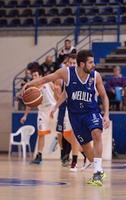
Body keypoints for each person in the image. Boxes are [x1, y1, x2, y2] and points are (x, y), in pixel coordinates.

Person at [22, 50, 110, 186]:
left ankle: (97, 172)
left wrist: (106, 115)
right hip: (75, 115)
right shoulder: (66, 73)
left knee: (96, 133)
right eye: (91, 62)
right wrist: (31, 84)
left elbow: (104, 96)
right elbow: (47, 79)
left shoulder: (95, 76)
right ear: (82, 64)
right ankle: (98, 168)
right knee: (86, 146)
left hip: (91, 111)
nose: (94, 65)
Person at [53, 54, 90, 172]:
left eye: (74, 63)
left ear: (78, 64)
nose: (72, 65)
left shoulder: (83, 75)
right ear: (67, 64)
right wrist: (55, 106)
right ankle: (87, 155)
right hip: (67, 109)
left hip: (79, 110)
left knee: (74, 135)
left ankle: (74, 161)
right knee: (66, 135)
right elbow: (64, 94)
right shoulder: (66, 76)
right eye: (70, 63)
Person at [20, 68, 57, 164]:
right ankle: (39, 156)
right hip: (42, 112)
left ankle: (65, 151)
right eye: (33, 76)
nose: (34, 77)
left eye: (36, 75)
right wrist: (25, 116)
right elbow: (29, 104)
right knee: (41, 133)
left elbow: (57, 94)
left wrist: (58, 106)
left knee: (63, 133)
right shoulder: (32, 89)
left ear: (40, 76)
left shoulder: (48, 83)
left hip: (53, 109)